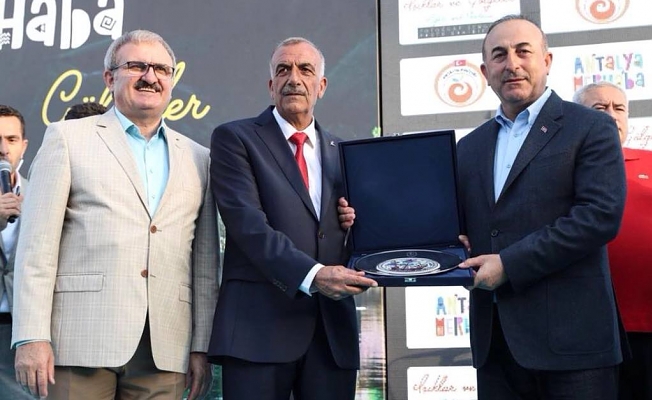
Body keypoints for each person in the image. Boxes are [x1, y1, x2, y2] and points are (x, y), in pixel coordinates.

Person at [11, 30, 219, 400]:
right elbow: (35, 248)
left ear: (172, 80)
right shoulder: (66, 138)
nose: (150, 77)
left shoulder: (198, 157)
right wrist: (31, 335)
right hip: (78, 343)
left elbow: (204, 266)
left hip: (165, 348)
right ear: (109, 78)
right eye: (136, 66)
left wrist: (200, 346)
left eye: (161, 69)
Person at [455, 15, 627, 399]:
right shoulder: (469, 147)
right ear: (484, 72)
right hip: (496, 344)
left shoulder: (591, 127)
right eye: (499, 55)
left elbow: (599, 216)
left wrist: (509, 264)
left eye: (523, 51)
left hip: (574, 345)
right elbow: (458, 226)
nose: (512, 64)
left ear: (546, 61)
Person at [207, 37, 377, 400]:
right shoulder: (235, 138)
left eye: (305, 69)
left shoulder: (343, 151)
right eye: (283, 69)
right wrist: (314, 275)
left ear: (321, 85)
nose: (294, 78)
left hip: (331, 334)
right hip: (257, 331)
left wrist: (356, 226)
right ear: (271, 85)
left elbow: (357, 233)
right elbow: (248, 226)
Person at [573, 81, 652, 400]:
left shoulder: (649, 161)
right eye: (599, 108)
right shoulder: (559, 169)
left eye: (619, 108)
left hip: (647, 325)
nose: (611, 115)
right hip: (584, 329)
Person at [0, 105, 30, 400]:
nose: (3, 148)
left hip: (20, 330)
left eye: (11, 139)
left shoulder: (42, 193)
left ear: (24, 146)